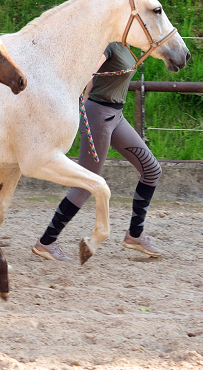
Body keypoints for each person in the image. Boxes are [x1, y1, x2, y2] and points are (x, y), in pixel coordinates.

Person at [32, 42, 163, 261]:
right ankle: (46, 242)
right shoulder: (109, 45)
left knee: (151, 169)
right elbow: (89, 72)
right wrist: (83, 101)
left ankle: (135, 234)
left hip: (115, 116)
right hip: (99, 116)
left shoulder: (128, 47)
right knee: (86, 184)